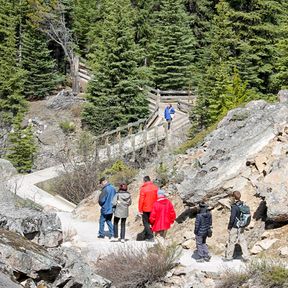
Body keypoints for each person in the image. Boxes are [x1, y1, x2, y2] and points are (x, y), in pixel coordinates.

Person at [224, 191, 250, 261]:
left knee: (231, 241)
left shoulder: (234, 207)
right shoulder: (243, 204)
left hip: (235, 226)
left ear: (233, 197)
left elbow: (232, 218)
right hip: (242, 226)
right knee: (242, 241)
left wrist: (229, 227)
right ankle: (246, 256)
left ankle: (229, 257)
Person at [138, 176, 158, 241]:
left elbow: (141, 200)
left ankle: (150, 236)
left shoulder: (143, 189)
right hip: (154, 208)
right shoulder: (155, 187)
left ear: (144, 181)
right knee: (152, 222)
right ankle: (152, 235)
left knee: (146, 222)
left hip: (146, 209)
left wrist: (140, 209)